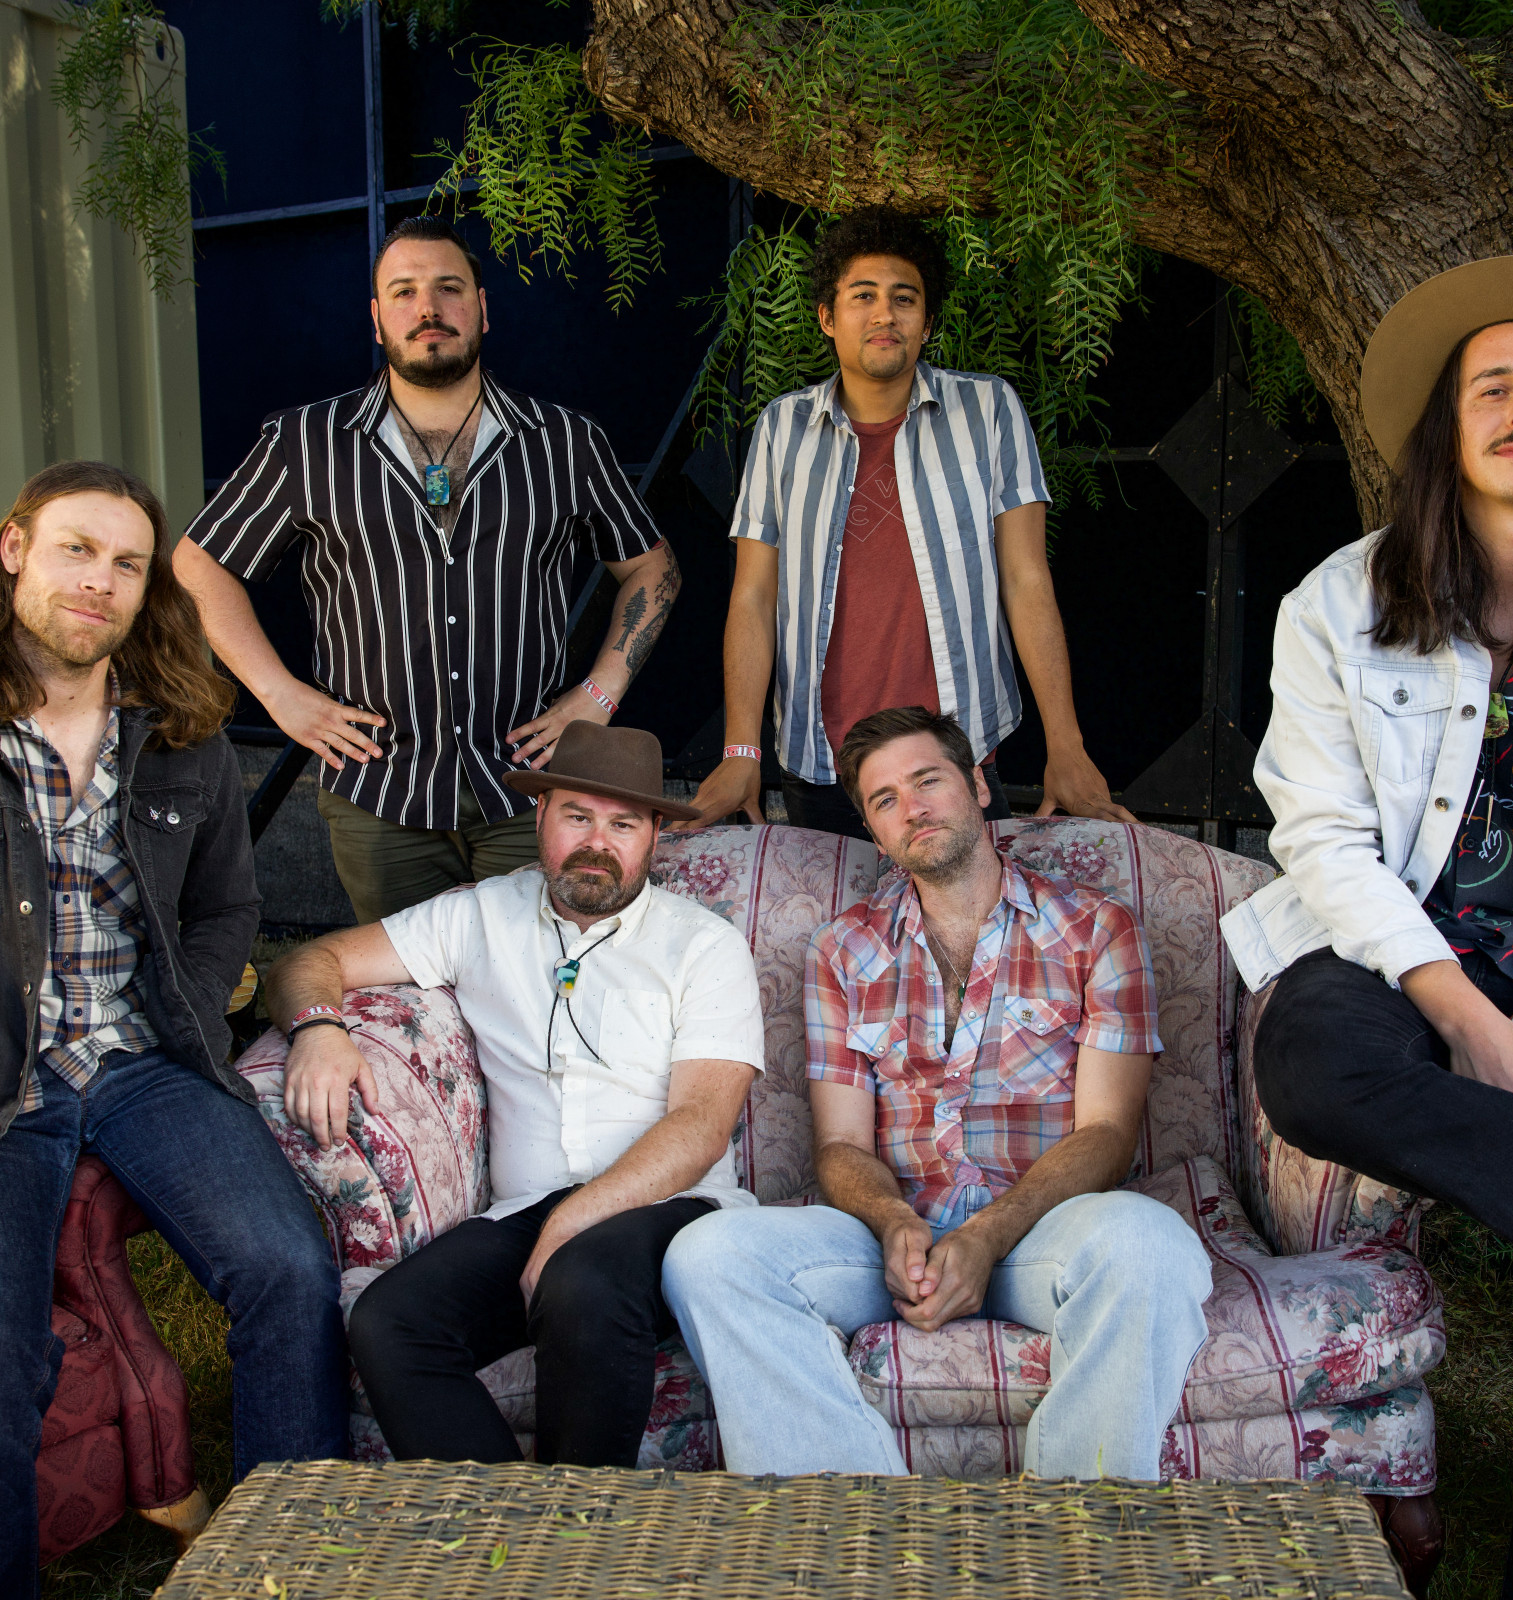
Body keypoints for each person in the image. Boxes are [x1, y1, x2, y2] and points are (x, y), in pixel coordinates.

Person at [1219, 255, 1513, 1600]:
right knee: (1311, 1068)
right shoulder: (1335, 602)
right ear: (1451, 424)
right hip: (1386, 955)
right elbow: (1320, 837)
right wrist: (1467, 1020)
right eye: (1493, 385)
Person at [664, 706, 1210, 1476]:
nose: (913, 808)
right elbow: (843, 1145)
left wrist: (986, 1238)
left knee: (1150, 1245)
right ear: (875, 833)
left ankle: (1079, 1551)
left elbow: (1109, 1134)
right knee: (708, 1254)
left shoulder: (1095, 929)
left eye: (928, 781)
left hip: (1035, 1231)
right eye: (885, 800)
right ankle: (855, 1540)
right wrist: (892, 1224)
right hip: (896, 1245)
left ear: (979, 787)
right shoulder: (842, 950)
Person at [0, 461, 345, 1598]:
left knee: (288, 1264)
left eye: (128, 564)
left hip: (143, 1055)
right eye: (75, 549)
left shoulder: (184, 732)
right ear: (14, 550)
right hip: (11, 1084)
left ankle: (285, 1568)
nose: (99, 581)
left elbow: (227, 908)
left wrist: (189, 1014)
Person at [266, 721, 764, 1467]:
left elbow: (701, 1125)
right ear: (539, 816)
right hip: (524, 1217)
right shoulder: (480, 914)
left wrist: (570, 1226)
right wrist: (318, 1028)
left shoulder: (703, 945)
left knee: (582, 1282)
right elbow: (313, 960)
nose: (599, 842)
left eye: (623, 823)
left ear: (655, 835)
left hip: (670, 1215)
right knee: (388, 1320)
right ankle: (508, 1535)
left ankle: (577, 1543)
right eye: (577, 816)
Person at [174, 216, 680, 923]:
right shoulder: (307, 443)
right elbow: (198, 564)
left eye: (448, 287)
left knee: (536, 982)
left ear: (482, 308)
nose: (428, 307)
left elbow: (653, 571)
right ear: (378, 320)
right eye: (404, 292)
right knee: (408, 995)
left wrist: (598, 696)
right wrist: (279, 695)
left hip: (528, 790)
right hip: (380, 793)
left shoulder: (564, 441)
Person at [676, 208, 1131, 843]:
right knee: (838, 939)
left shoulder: (988, 408)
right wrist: (739, 752)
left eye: (904, 298)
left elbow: (1027, 579)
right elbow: (754, 597)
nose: (885, 314)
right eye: (863, 297)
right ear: (828, 319)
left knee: (970, 936)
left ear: (927, 322)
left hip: (956, 758)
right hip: (823, 765)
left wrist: (1067, 743)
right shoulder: (783, 427)